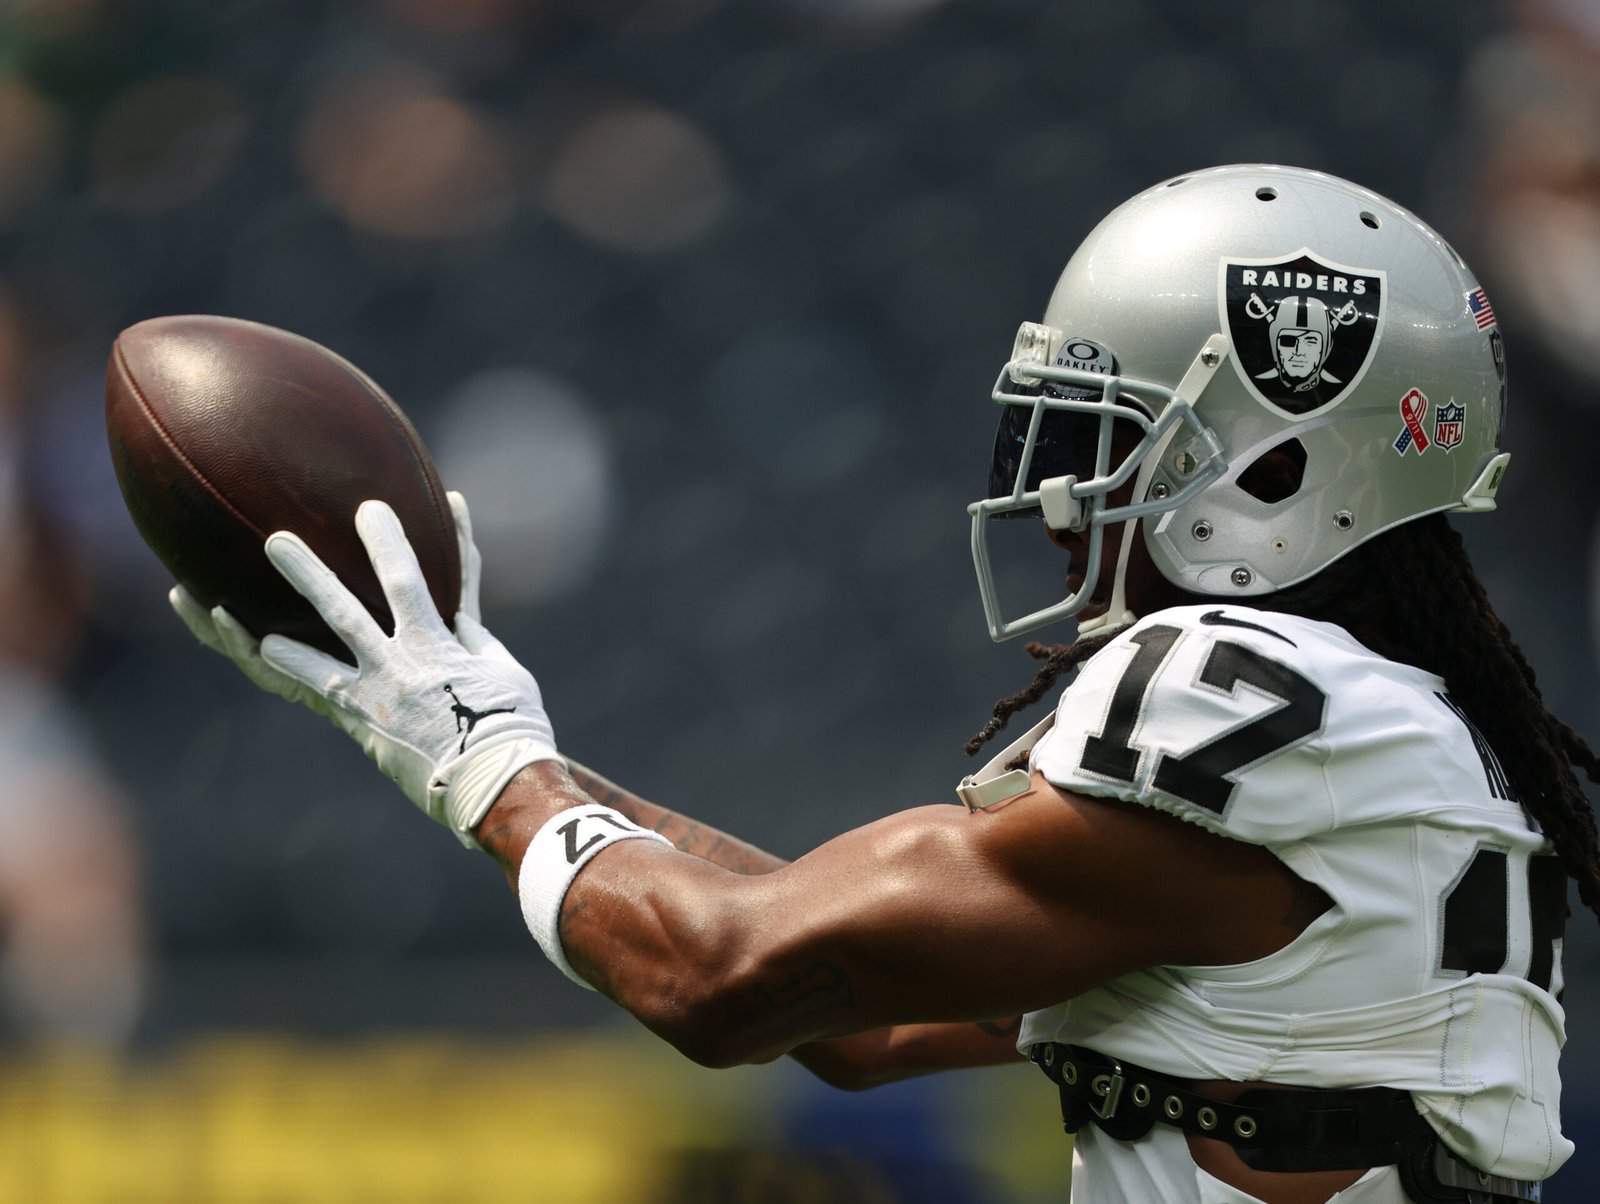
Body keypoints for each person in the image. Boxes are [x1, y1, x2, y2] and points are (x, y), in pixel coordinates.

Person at [171, 164, 1594, 1204]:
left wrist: (477, 758)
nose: (1059, 495)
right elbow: (847, 1019)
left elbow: (723, 976)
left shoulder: (1235, 693)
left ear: (1275, 469)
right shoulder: (1392, 737)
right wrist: (470, 714)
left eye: (1114, 436)